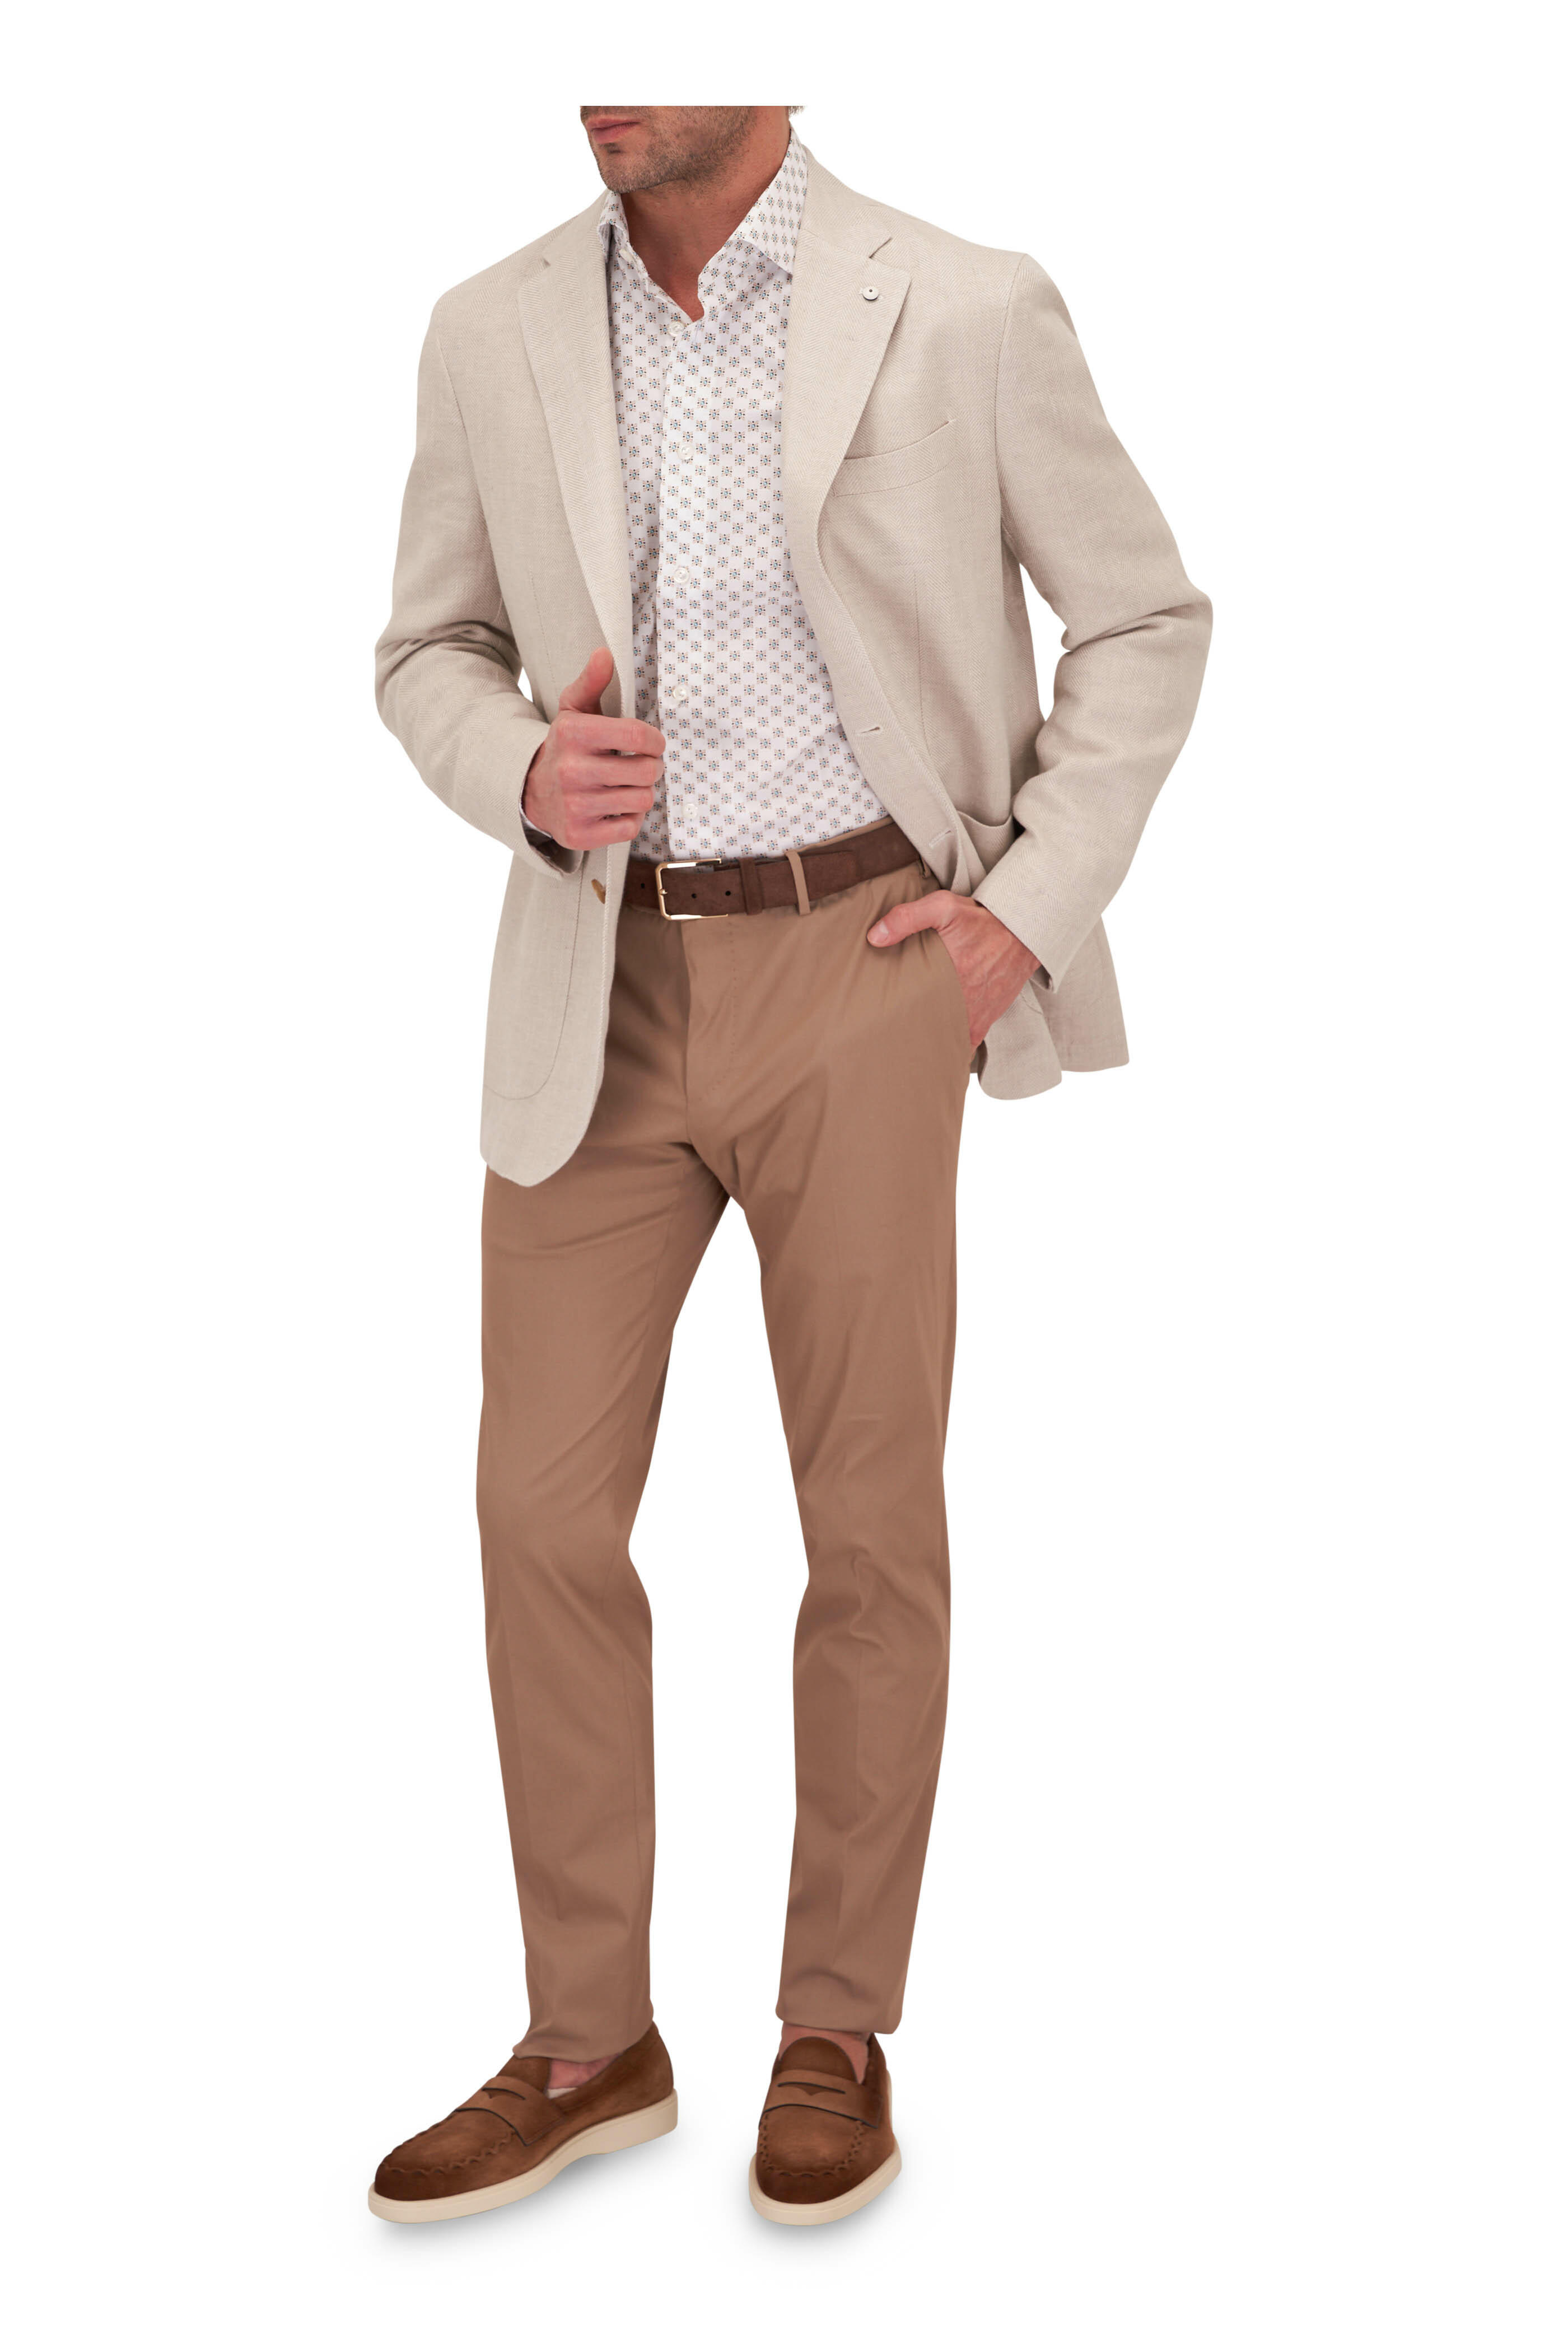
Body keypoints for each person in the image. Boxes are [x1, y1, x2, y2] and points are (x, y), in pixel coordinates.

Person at [368, 103, 1210, 2228]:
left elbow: (1143, 619)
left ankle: (835, 2027)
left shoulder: (968, 304)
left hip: (867, 966)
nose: (604, 83)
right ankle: (590, 2043)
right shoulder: (488, 324)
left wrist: (1022, 914)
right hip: (601, 977)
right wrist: (520, 768)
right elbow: (423, 653)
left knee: (869, 1519)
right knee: (535, 1511)